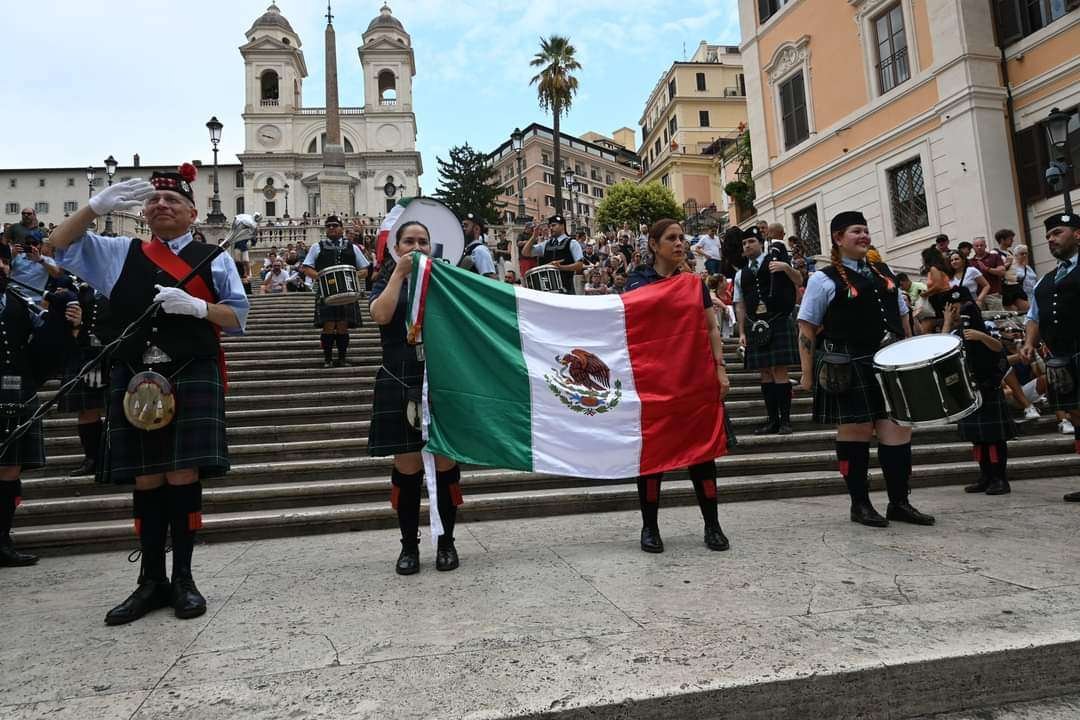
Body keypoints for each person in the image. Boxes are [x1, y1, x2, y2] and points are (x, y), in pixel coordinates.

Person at [48, 167, 248, 625]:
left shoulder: (213, 257)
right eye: (155, 200)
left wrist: (199, 307)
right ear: (142, 211)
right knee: (146, 479)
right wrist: (95, 207)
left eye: (173, 201)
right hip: (136, 374)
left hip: (190, 371)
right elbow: (58, 243)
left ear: (192, 213)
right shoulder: (120, 251)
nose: (162, 205)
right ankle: (150, 581)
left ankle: (183, 579)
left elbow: (236, 318)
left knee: (181, 475)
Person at [796, 211, 934, 528]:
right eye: (856, 231)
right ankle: (860, 505)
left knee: (898, 431)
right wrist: (806, 374)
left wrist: (911, 351)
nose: (864, 236)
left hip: (890, 362)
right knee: (855, 432)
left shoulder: (883, 271)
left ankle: (899, 503)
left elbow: (902, 316)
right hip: (849, 363)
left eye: (866, 230)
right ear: (838, 238)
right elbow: (806, 327)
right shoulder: (823, 279)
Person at [626, 218, 731, 554]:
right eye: (671, 238)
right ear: (654, 245)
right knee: (652, 458)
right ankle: (650, 527)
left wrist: (721, 368)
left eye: (682, 238)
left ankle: (712, 526)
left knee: (703, 455)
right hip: (653, 381)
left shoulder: (693, 283)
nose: (679, 243)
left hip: (694, 377)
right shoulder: (636, 282)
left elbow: (711, 328)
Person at [368, 221, 462, 574]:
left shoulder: (444, 277)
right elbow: (380, 314)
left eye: (423, 241)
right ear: (396, 247)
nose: (417, 246)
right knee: (406, 468)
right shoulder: (385, 278)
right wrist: (399, 275)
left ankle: (446, 542)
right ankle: (409, 546)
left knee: (444, 465)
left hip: (439, 378)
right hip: (399, 376)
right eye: (409, 241)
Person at [0, 252, 81, 567]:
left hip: (17, 387)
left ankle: (3, 541)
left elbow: (45, 334)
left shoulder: (18, 300)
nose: (2, 267)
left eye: (4, 261)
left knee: (9, 470)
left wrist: (69, 325)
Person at [1020, 213, 1080, 502]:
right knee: (1077, 419)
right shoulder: (1044, 280)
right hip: (1061, 360)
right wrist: (1030, 343)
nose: (1050, 239)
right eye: (1048, 235)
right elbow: (1034, 316)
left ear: (1077, 234)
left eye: (1057, 232)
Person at [939, 290, 1015, 495]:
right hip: (967, 391)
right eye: (952, 309)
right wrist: (946, 323)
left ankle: (1000, 478)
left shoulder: (985, 326)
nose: (957, 312)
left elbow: (1000, 348)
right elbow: (940, 351)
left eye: (959, 308)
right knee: (978, 439)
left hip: (989, 387)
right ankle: (985, 476)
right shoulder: (953, 334)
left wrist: (981, 336)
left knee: (994, 438)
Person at [734, 226, 801, 435]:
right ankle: (772, 420)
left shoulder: (777, 260)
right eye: (744, 243)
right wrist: (742, 332)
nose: (747, 246)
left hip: (778, 320)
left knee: (779, 371)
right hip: (756, 325)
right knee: (764, 373)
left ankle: (785, 421)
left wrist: (786, 268)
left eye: (751, 241)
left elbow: (799, 281)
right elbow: (740, 304)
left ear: (760, 242)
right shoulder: (740, 274)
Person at [57, 280, 111, 476]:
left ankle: (116, 458)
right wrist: (77, 324)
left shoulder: (119, 283)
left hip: (114, 352)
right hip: (87, 353)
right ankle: (92, 458)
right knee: (87, 410)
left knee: (121, 406)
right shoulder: (83, 289)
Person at [302, 215, 369, 368]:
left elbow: (364, 269)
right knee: (329, 325)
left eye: (335, 225)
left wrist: (352, 276)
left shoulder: (353, 247)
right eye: (329, 226)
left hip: (348, 292)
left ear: (341, 228)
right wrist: (320, 277)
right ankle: (327, 359)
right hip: (326, 292)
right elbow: (306, 268)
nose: (331, 228)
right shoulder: (317, 246)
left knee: (343, 325)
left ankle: (342, 358)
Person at [521, 215, 584, 295]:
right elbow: (525, 253)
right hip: (547, 292)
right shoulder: (546, 244)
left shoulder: (572, 243)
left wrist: (561, 267)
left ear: (562, 226)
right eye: (550, 226)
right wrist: (533, 237)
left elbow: (580, 265)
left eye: (554, 225)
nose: (551, 228)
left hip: (566, 290)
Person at [971, 237, 1005, 310]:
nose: (979, 247)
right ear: (973, 247)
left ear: (985, 246)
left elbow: (1002, 272)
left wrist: (987, 269)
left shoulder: (994, 257)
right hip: (978, 297)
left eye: (981, 245)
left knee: (999, 319)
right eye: (976, 246)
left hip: (993, 294)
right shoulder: (970, 262)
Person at [459, 213, 496, 278]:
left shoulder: (480, 250)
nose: (463, 229)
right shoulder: (468, 250)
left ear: (476, 229)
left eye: (466, 226)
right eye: (462, 226)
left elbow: (490, 279)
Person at [1008, 243, 1037, 313]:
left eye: (1026, 253)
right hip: (1022, 299)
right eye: (1022, 253)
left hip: (1033, 297)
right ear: (1015, 255)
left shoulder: (1028, 268)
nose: (1024, 255)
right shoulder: (1012, 268)